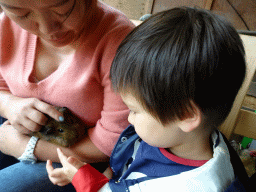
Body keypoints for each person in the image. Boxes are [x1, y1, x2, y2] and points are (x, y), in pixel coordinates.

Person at [46, 7, 249, 191]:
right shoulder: (168, 136)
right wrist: (93, 176)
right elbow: (122, 171)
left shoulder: (192, 185)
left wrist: (83, 180)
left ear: (185, 115)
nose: (129, 119)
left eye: (135, 110)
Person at [0, 0, 134, 191]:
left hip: (85, 155)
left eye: (62, 10)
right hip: (15, 128)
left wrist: (26, 147)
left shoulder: (120, 44)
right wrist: (8, 104)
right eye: (21, 14)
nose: (48, 29)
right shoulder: (4, 27)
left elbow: (116, 142)